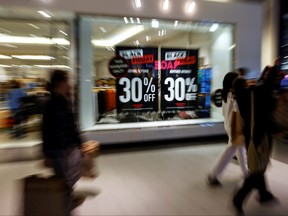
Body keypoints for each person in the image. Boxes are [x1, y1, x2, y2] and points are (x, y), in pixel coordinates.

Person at [232, 57, 285, 215]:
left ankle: (263, 194)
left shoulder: (245, 97)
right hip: (259, 136)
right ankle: (239, 198)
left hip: (253, 135)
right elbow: (265, 86)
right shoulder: (253, 96)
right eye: (246, 81)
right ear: (244, 86)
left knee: (258, 166)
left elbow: (263, 85)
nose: (250, 82)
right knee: (257, 170)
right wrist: (274, 67)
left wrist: (270, 72)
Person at [41, 70, 85, 215]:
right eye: (67, 81)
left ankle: (67, 203)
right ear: (59, 83)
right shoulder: (49, 104)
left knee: (70, 179)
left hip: (69, 148)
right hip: (57, 151)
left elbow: (72, 126)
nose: (69, 84)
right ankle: (65, 208)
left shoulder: (65, 101)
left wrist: (80, 144)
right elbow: (45, 130)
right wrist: (46, 154)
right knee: (63, 182)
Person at [207, 72, 248, 186]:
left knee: (239, 149)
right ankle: (213, 174)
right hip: (235, 126)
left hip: (230, 125)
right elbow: (238, 110)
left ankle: (246, 173)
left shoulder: (225, 94)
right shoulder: (233, 95)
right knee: (231, 150)